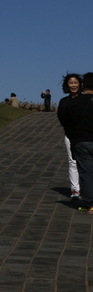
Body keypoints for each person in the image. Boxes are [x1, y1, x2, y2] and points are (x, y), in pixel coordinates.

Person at [60, 74, 93, 213]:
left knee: (85, 173)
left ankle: (89, 204)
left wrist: (72, 136)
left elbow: (65, 121)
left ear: (82, 85)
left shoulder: (71, 102)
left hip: (80, 140)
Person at [56, 74, 82, 200]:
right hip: (70, 136)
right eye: (71, 83)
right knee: (73, 162)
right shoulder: (64, 102)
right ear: (67, 85)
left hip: (86, 135)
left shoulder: (86, 99)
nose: (73, 85)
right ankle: (75, 190)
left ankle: (86, 187)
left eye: (75, 82)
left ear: (80, 84)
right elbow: (61, 118)